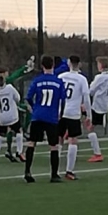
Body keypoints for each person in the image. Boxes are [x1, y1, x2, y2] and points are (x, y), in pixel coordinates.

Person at [24, 55, 67, 183]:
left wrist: (33, 109)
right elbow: (63, 100)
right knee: (53, 145)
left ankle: (27, 172)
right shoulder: (58, 82)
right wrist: (60, 114)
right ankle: (54, 175)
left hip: (37, 115)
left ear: (42, 66)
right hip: (51, 117)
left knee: (32, 143)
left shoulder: (37, 81)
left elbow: (28, 98)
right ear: (53, 65)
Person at [58, 54, 91, 180]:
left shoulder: (61, 76)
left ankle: (55, 171)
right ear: (79, 64)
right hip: (73, 113)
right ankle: (69, 171)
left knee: (58, 140)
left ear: (68, 63)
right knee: (73, 140)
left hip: (61, 112)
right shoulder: (82, 79)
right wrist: (89, 115)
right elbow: (86, 98)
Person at [0, 72, 23, 161]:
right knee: (19, 131)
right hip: (12, 117)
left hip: (1, 118)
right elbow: (18, 98)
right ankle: (19, 152)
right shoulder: (10, 88)